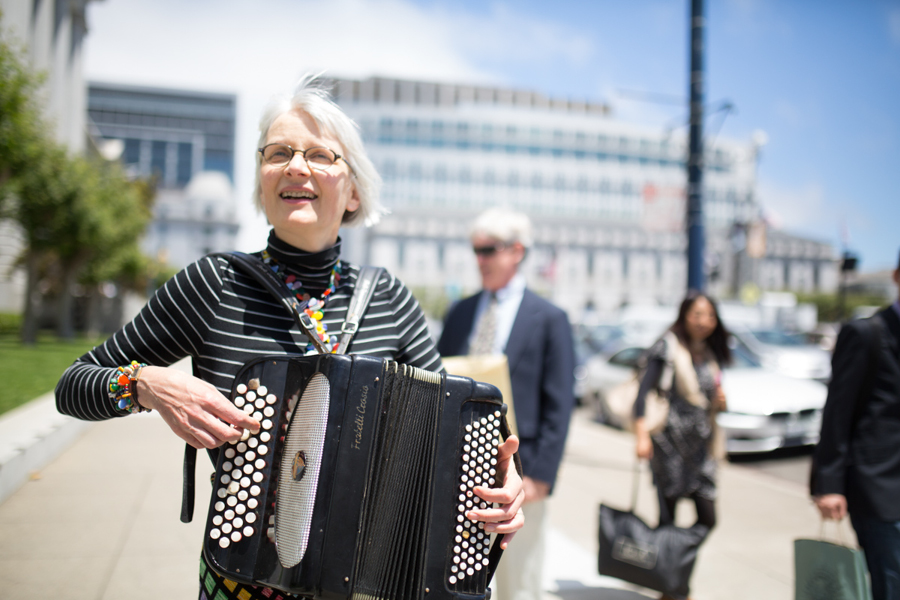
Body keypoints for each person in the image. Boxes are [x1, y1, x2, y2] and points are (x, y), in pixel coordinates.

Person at [55, 76, 525, 600]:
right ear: (262, 179)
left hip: (375, 585)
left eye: (321, 156)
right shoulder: (214, 284)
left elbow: (458, 435)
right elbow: (72, 385)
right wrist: (147, 383)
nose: (296, 167)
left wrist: (508, 485)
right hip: (247, 583)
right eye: (278, 152)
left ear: (352, 192)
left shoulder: (389, 298)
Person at [437, 208, 576, 600]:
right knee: (456, 580)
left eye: (488, 250)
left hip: (523, 471)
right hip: (460, 465)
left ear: (517, 251)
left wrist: (541, 478)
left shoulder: (550, 319)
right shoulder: (460, 312)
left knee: (520, 582)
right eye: (476, 250)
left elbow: (559, 405)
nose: (480, 259)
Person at [811, 251, 900, 600]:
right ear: (896, 276)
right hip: (879, 490)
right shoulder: (867, 334)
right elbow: (837, 412)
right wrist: (829, 483)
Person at [633, 291, 730, 600]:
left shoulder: (710, 355)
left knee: (707, 518)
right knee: (667, 521)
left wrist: (721, 403)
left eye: (710, 316)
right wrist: (641, 435)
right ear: (684, 315)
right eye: (697, 314)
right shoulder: (668, 347)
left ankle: (673, 574)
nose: (704, 322)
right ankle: (674, 588)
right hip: (668, 448)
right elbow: (641, 395)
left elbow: (709, 402)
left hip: (701, 452)